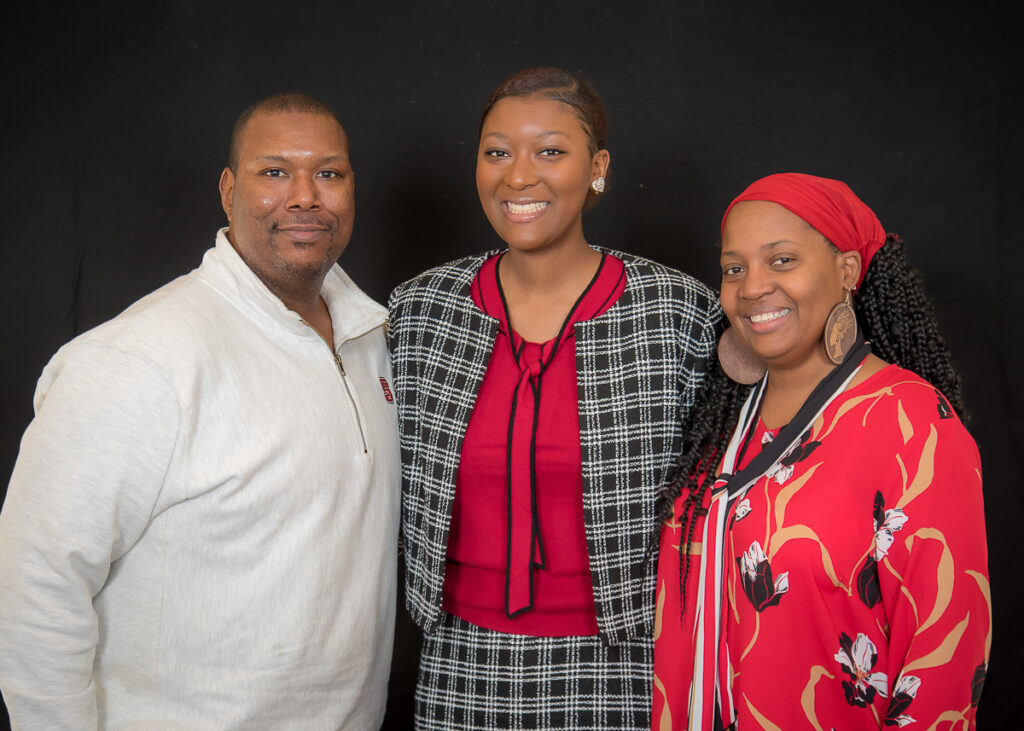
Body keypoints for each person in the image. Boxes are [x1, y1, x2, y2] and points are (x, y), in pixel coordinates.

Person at [0, 93, 400, 729]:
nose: (304, 196)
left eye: (328, 173)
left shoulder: (371, 337)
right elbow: (36, 584)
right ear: (227, 189)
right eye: (273, 172)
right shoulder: (138, 361)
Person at [388, 67, 721, 730]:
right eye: (497, 152)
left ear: (597, 166)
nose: (519, 176)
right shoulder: (420, 309)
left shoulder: (678, 312)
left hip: (624, 660)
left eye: (550, 151)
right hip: (457, 658)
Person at [652, 173, 990, 729]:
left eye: (781, 260)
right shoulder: (719, 423)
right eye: (734, 268)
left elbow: (944, 658)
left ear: (847, 271)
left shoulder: (912, 423)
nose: (752, 286)